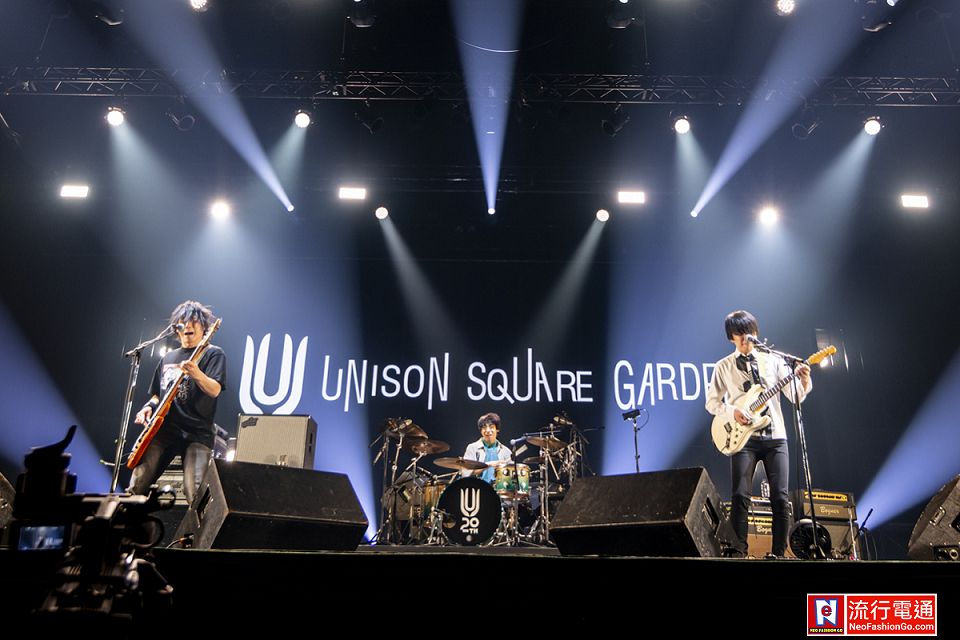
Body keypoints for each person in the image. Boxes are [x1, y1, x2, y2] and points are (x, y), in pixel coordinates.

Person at [705, 310, 812, 558]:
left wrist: (805, 381)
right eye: (739, 334)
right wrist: (733, 411)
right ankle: (739, 552)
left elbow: (795, 396)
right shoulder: (724, 366)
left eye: (749, 333)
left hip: (776, 437)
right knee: (740, 495)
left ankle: (778, 554)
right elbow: (712, 403)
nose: (745, 338)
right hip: (744, 439)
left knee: (780, 497)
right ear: (731, 337)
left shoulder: (772, 361)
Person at [128, 300, 226, 504]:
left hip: (197, 432)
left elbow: (215, 390)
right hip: (164, 429)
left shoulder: (213, 353)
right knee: (138, 484)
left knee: (195, 492)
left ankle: (201, 526)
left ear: (204, 327)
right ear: (177, 329)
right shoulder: (168, 357)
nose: (188, 326)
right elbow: (157, 394)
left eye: (193, 321)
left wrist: (197, 374)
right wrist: (147, 407)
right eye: (183, 322)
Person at [461, 412, 512, 483]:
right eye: (484, 427)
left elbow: (511, 475)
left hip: (499, 488)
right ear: (481, 430)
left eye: (491, 427)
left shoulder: (506, 451)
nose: (487, 430)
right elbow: (466, 472)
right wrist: (489, 464)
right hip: (478, 487)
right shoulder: (472, 448)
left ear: (497, 429)